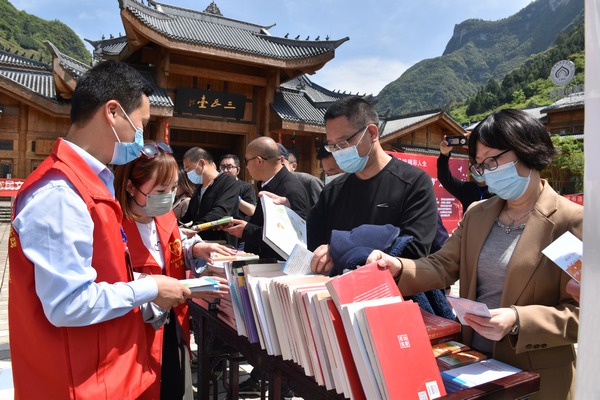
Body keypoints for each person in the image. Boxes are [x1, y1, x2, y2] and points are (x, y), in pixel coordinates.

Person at [8, 60, 192, 399]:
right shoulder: (61, 193)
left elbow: (100, 273)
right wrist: (149, 287)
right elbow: (68, 304)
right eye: (141, 123)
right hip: (75, 381)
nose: (141, 135)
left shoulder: (87, 183)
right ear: (113, 112)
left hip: (100, 373)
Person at [367, 109, 581, 400]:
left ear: (527, 151)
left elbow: (583, 313)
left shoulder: (571, 220)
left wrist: (518, 319)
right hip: (475, 367)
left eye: (493, 160)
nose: (487, 170)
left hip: (538, 379)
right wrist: (399, 268)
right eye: (480, 164)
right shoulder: (478, 214)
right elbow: (443, 265)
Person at [113, 141, 232, 399]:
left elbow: (174, 252)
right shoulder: (112, 223)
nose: (167, 196)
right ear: (131, 186)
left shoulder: (165, 216)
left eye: (172, 189)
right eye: (159, 190)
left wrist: (195, 250)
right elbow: (110, 279)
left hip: (174, 326)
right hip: (132, 334)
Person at [308, 96, 439, 275]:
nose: (339, 151)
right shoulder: (332, 191)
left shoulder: (414, 183)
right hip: (336, 294)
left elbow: (415, 249)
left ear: (371, 133)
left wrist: (342, 249)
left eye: (344, 142)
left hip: (392, 296)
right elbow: (315, 247)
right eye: (332, 146)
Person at [225, 137, 309, 261]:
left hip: (279, 268)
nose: (246, 167)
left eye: (246, 161)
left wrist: (247, 230)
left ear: (259, 161)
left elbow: (293, 236)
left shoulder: (291, 188)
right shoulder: (269, 184)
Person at [181, 147, 240, 244]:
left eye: (189, 169)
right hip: (198, 244)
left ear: (202, 163)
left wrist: (195, 228)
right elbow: (189, 216)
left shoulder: (228, 183)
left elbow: (220, 211)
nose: (188, 174)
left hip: (220, 244)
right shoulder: (198, 189)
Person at [438, 134, 492, 211]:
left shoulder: (500, 189)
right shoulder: (467, 188)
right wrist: (444, 154)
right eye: (475, 167)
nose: (479, 170)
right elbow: (445, 178)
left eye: (483, 166)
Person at [277, 143, 323, 209]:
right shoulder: (266, 183)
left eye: (281, 164)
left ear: (293, 166)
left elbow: (322, 210)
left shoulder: (309, 182)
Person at [219, 153, 257, 219]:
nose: (225, 170)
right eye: (223, 167)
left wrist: (235, 197)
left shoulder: (246, 187)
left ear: (238, 170)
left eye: (229, 167)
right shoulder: (216, 186)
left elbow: (251, 211)